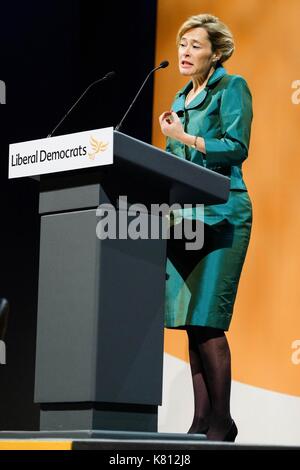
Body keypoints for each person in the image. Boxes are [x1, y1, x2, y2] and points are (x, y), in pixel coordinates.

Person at [159, 13, 253, 442]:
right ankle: (200, 421)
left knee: (210, 319)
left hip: (222, 214)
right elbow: (172, 165)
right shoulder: (179, 99)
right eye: (182, 44)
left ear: (216, 53)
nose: (185, 52)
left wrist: (185, 138)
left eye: (195, 45)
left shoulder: (231, 88)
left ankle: (222, 421)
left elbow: (236, 148)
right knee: (192, 322)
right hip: (185, 219)